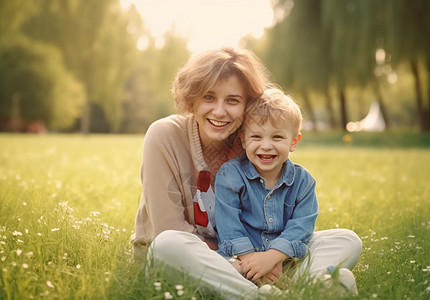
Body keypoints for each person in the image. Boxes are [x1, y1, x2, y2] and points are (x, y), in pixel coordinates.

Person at [131, 47, 362, 299]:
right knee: (167, 245)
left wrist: (270, 257)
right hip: (198, 259)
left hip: (261, 255)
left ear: (247, 105)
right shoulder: (164, 135)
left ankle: (295, 287)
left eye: (232, 100)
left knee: (346, 240)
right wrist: (246, 262)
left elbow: (280, 212)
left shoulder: (251, 141)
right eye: (209, 97)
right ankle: (267, 294)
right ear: (192, 99)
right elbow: (167, 229)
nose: (219, 112)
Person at [214, 88, 359, 295]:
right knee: (219, 265)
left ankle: (301, 284)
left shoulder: (303, 181)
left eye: (277, 137)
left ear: (294, 142)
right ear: (243, 139)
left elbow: (302, 226)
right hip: (241, 261)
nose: (266, 146)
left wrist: (272, 257)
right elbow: (229, 227)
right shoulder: (230, 176)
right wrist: (255, 264)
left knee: (348, 239)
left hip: (286, 261)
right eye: (256, 136)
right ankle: (275, 289)